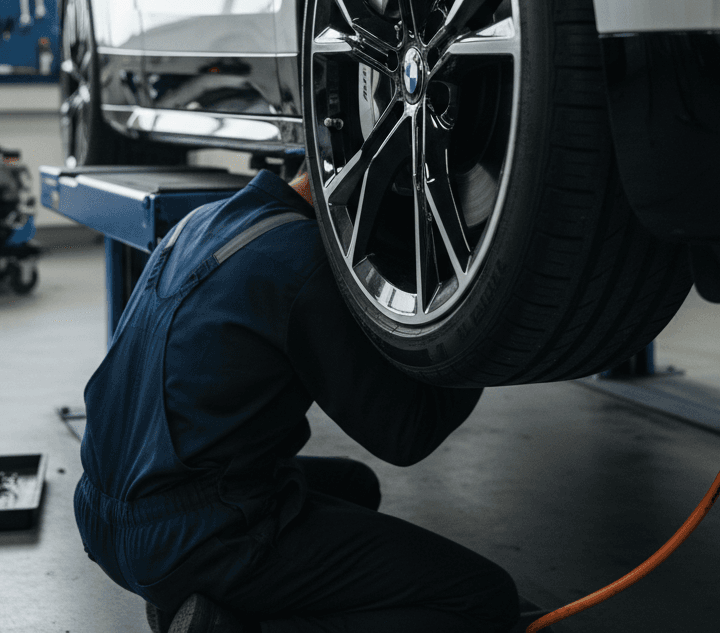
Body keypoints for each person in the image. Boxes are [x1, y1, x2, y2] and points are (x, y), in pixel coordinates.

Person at [73, 164, 522, 633]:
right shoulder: (300, 258)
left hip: (104, 513)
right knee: (482, 598)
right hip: (187, 538)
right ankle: (235, 628)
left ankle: (197, 602)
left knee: (354, 485)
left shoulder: (198, 222)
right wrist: (489, 313)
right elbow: (411, 432)